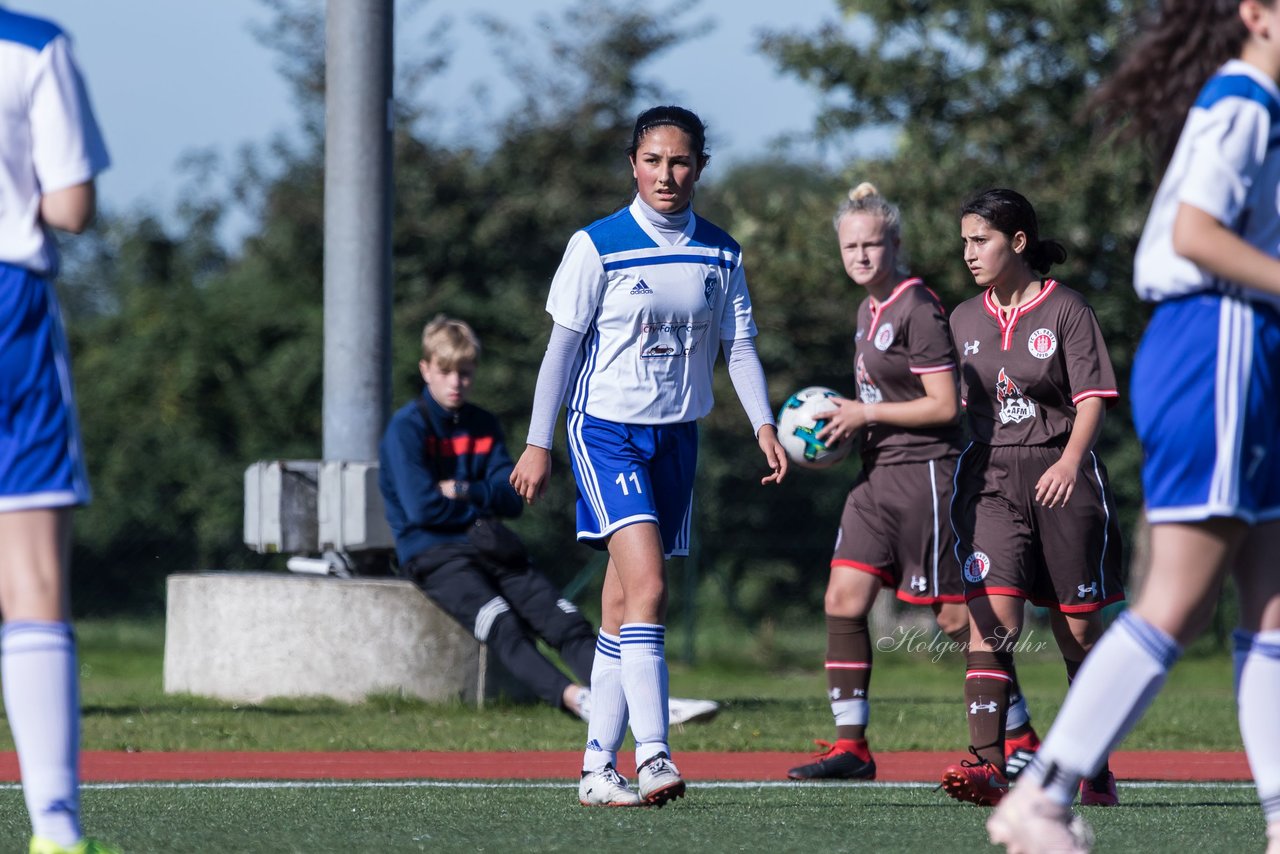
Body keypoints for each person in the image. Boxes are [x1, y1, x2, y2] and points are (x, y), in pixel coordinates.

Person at [988, 3, 1280, 851]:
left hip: (1238, 347)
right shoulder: (1245, 101)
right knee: (1177, 601)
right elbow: (1196, 233)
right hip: (1215, 341)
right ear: (1254, 15)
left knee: (1270, 610)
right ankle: (1041, 794)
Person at [509, 105, 788, 807]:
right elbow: (560, 355)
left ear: (700, 166)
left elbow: (741, 346)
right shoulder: (597, 245)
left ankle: (598, 770)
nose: (668, 174)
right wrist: (538, 442)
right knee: (652, 590)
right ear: (634, 165)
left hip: (677, 438)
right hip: (605, 432)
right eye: (655, 160)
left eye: (682, 161)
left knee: (620, 606)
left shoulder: (721, 252)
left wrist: (764, 424)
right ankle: (656, 754)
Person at [785, 183, 1041, 782]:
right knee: (842, 601)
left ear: (894, 244)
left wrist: (862, 413)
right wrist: (853, 425)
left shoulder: (917, 308)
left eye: (872, 244)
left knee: (958, 620)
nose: (861, 256)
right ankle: (852, 747)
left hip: (928, 477)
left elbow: (945, 405)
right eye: (851, 246)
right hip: (876, 478)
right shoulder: (866, 309)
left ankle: (1022, 736)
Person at [378, 316, 720, 730]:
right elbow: (422, 511)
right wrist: (480, 498)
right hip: (432, 552)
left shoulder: (483, 424)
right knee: (502, 623)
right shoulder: (406, 428)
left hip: (487, 542)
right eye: (446, 372)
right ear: (425, 369)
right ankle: (581, 701)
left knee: (566, 622)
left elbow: (511, 494)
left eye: (465, 373)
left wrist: (464, 491)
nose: (456, 383)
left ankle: (647, 700)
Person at [940, 189, 1125, 809]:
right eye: (964, 240)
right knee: (993, 621)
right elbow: (952, 406)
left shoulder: (1068, 309)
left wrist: (1071, 462)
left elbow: (1093, 396)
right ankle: (988, 766)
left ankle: (1091, 760)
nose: (968, 252)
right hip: (990, 480)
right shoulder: (963, 318)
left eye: (980, 240)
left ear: (1018, 242)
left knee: (1079, 631)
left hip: (1060, 475)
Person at [0, 8, 118, 854]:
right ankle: (54, 830)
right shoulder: (32, 44)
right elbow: (70, 205)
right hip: (9, 308)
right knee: (33, 576)